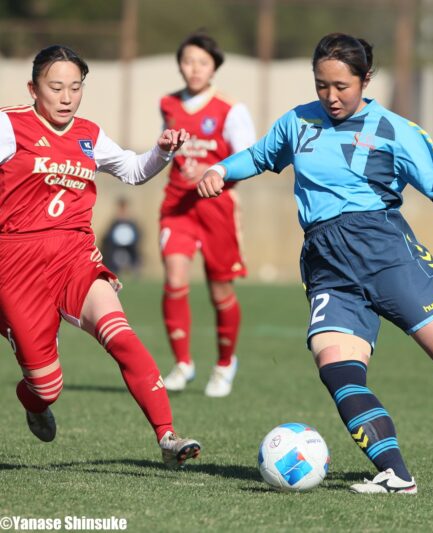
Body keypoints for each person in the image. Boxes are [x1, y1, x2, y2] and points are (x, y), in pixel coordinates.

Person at [198, 33, 433, 493]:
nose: (330, 97)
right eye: (321, 85)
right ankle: (395, 474)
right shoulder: (297, 123)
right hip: (325, 259)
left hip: (383, 249)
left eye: (342, 86)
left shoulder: (394, 130)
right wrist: (221, 171)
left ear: (366, 80)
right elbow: (261, 155)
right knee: (336, 367)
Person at [0, 44, 202, 468]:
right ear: (33, 88)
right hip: (16, 266)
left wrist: (162, 151)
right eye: (55, 87)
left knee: (119, 332)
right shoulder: (8, 126)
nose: (66, 96)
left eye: (76, 87)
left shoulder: (88, 133)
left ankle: (167, 436)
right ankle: (33, 400)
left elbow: (131, 169)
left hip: (75, 256)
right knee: (46, 386)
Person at [158, 32, 256, 398]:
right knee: (174, 278)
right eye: (187, 61)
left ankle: (224, 364)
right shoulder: (167, 103)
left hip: (217, 209)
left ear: (214, 65)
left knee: (220, 291)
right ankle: (182, 363)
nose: (193, 69)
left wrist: (213, 171)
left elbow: (248, 159)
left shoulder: (231, 109)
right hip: (177, 207)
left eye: (201, 62)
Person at [100, 196, 142, 276]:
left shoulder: (132, 223)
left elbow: (138, 235)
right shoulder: (114, 222)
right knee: (109, 251)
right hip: (115, 246)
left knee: (135, 252)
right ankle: (112, 270)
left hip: (130, 246)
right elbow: (108, 236)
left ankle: (135, 269)